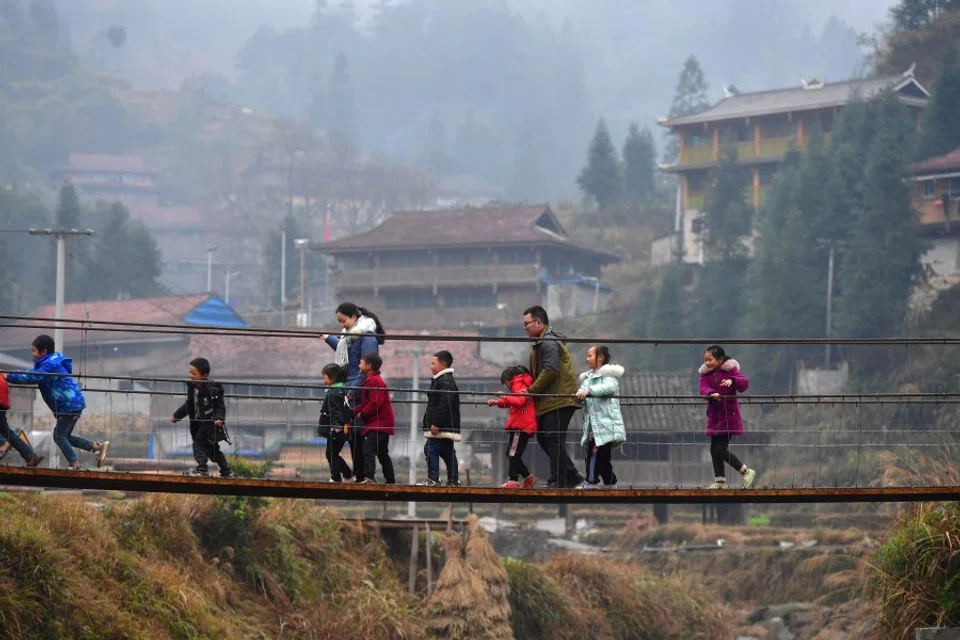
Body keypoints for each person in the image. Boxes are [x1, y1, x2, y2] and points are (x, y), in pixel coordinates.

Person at [2, 334, 107, 471]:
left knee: (59, 436)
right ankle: (96, 447)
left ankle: (76, 465)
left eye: (34, 350)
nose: (32, 354)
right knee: (64, 436)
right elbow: (33, 373)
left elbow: (33, 377)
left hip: (68, 405)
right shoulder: (50, 362)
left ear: (44, 351)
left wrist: (8, 376)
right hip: (72, 403)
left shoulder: (50, 365)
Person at [320, 302, 386, 485]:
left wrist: (351, 391)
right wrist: (328, 338)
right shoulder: (351, 336)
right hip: (350, 390)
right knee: (352, 435)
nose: (342, 325)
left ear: (354, 318)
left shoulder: (367, 337)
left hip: (357, 392)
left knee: (358, 435)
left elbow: (365, 369)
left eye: (343, 320)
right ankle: (357, 474)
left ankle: (362, 474)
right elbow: (347, 352)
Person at [522, 306, 584, 489]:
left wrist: (532, 390)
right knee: (545, 437)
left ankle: (562, 479)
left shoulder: (548, 342)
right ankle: (570, 475)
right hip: (551, 400)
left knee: (552, 437)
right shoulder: (542, 342)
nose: (524, 328)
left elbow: (550, 369)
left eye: (527, 324)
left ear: (538, 323)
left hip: (558, 399)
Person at [698, 345, 756, 490]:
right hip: (714, 416)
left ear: (720, 359)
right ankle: (720, 481)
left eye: (710, 360)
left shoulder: (731, 370)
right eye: (705, 360)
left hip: (728, 416)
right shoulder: (705, 375)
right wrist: (711, 393)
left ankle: (746, 471)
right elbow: (702, 389)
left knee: (720, 449)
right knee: (714, 450)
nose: (707, 363)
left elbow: (744, 384)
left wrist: (733, 380)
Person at [171, 357, 233, 478]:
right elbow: (189, 405)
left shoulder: (212, 390)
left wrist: (220, 418)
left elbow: (220, 406)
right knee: (212, 450)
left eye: (194, 373)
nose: (191, 376)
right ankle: (226, 471)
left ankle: (202, 470)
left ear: (204, 376)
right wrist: (177, 416)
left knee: (198, 445)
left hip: (210, 423)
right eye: (190, 372)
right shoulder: (192, 388)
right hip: (198, 424)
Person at [576, 345, 626, 489]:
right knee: (602, 455)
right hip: (593, 425)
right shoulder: (588, 377)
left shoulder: (609, 376)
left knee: (594, 453)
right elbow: (582, 391)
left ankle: (591, 481)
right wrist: (578, 397)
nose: (587, 359)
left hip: (606, 424)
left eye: (590, 356)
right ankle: (610, 482)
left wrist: (589, 392)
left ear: (600, 357)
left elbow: (607, 388)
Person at [488, 365, 538, 489]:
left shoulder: (519, 383)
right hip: (520, 423)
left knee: (512, 453)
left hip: (520, 425)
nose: (507, 386)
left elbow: (519, 401)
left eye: (506, 383)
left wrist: (503, 396)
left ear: (510, 379)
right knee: (510, 453)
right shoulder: (521, 383)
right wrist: (498, 403)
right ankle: (528, 476)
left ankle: (513, 481)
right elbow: (514, 402)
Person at [418, 350, 460, 487]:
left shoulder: (445, 382)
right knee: (447, 452)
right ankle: (453, 480)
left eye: (433, 363)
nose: (431, 366)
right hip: (447, 425)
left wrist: (435, 423)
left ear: (443, 364)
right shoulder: (444, 381)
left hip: (441, 426)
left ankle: (434, 479)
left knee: (431, 449)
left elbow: (444, 404)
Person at [353, 352, 396, 484]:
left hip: (379, 423)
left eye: (361, 363)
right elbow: (368, 403)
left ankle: (370, 477)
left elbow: (375, 403)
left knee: (368, 448)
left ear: (369, 366)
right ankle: (390, 479)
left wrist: (362, 414)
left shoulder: (374, 381)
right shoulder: (372, 380)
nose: (359, 365)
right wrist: (354, 412)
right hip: (381, 423)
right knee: (382, 452)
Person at [318, 363, 354, 483]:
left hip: (337, 429)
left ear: (332, 378)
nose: (323, 380)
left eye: (325, 377)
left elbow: (335, 410)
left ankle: (339, 476)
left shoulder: (333, 393)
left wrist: (336, 425)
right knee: (332, 453)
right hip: (343, 428)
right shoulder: (341, 391)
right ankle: (342, 476)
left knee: (331, 453)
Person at [0, 373, 44, 467]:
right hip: (2, 398)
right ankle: (30, 455)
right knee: (5, 430)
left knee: (5, 430)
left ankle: (3, 443)